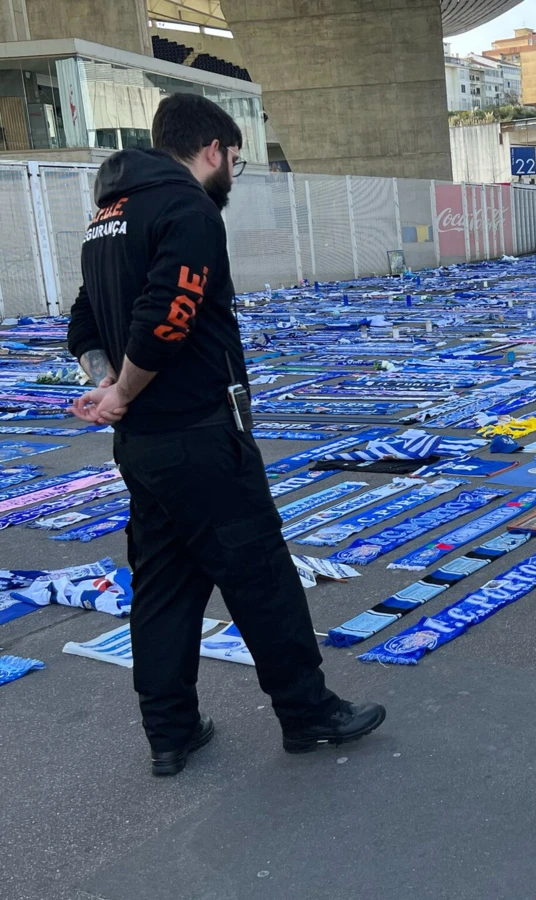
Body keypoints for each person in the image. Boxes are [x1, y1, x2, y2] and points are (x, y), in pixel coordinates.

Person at [67, 94, 385, 777]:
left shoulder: (106, 217)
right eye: (234, 161)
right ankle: (307, 712)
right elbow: (169, 316)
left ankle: (170, 732)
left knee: (164, 584)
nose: (231, 176)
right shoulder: (187, 208)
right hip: (200, 432)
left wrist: (107, 384)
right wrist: (121, 391)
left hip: (144, 445)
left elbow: (84, 321)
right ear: (212, 148)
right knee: (260, 574)